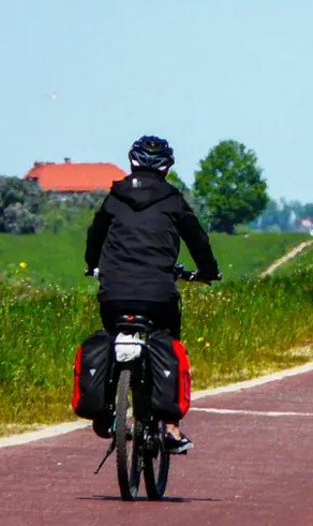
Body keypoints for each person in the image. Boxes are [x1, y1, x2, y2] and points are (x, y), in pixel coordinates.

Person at [85, 135, 221, 453]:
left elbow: (96, 234)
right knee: (167, 343)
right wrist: (208, 272)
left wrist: (93, 265)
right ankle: (171, 428)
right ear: (167, 167)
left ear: (132, 161)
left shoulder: (115, 196)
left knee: (111, 333)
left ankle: (106, 410)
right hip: (158, 294)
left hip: (114, 292)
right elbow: (197, 239)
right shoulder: (173, 200)